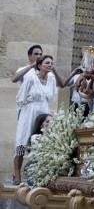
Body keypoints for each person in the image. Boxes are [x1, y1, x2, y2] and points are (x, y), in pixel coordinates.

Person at [13, 55, 63, 184]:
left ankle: (39, 173)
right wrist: (22, 112)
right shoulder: (30, 77)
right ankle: (17, 174)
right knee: (23, 140)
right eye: (47, 63)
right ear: (40, 65)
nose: (50, 65)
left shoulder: (51, 78)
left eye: (51, 63)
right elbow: (21, 96)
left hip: (44, 109)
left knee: (43, 139)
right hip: (29, 110)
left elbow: (56, 91)